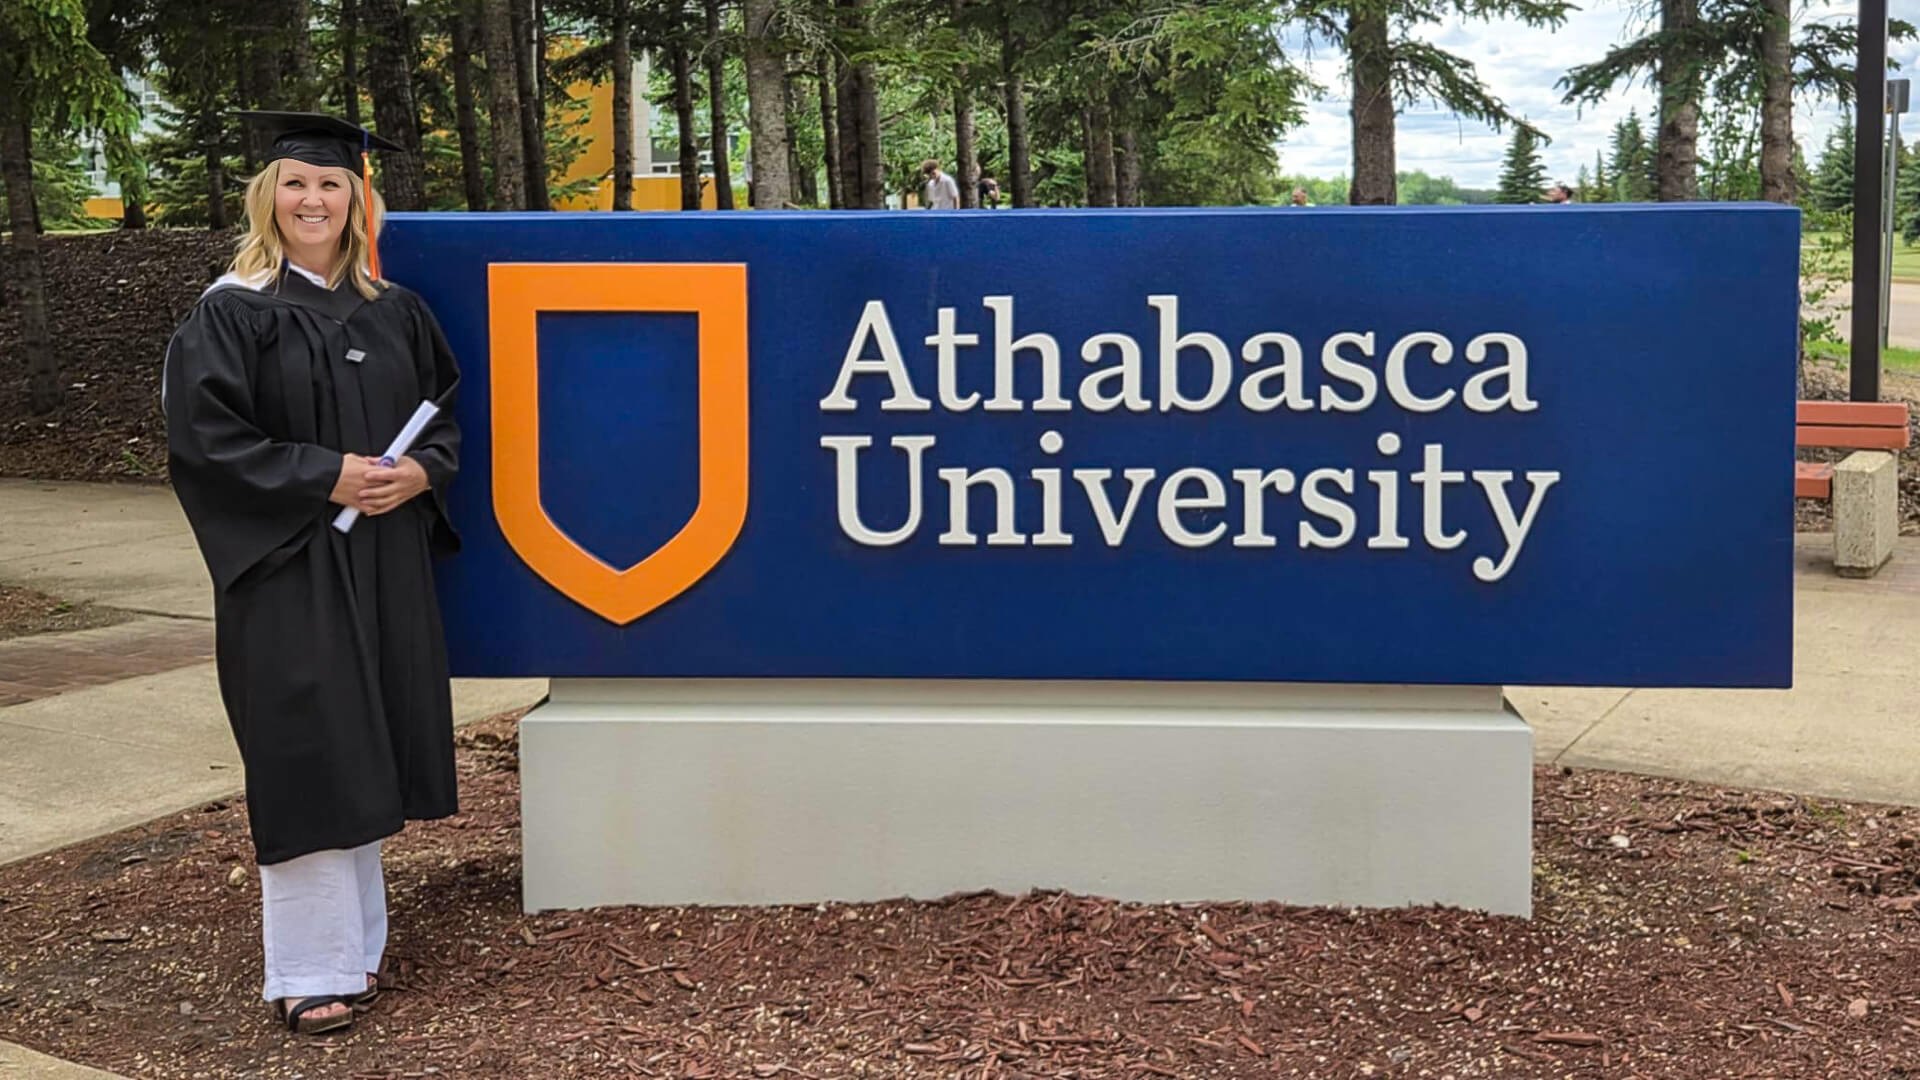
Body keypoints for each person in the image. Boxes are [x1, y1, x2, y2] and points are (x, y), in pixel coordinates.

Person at [162, 110, 463, 1037]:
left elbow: (443, 417)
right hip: (290, 562)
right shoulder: (233, 311)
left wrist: (420, 470)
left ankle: (356, 950)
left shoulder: (393, 309)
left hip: (381, 558)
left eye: (331, 184)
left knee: (364, 740)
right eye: (295, 183)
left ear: (356, 199)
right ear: (268, 196)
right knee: (311, 751)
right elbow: (206, 444)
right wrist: (323, 473)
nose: (313, 200)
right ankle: (308, 969)